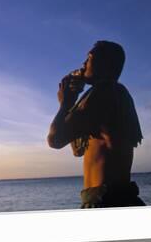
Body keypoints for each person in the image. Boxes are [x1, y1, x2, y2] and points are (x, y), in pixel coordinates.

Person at [46, 41, 145, 208]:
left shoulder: (105, 91)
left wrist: (64, 105)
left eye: (89, 58)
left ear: (104, 64)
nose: (83, 64)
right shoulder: (115, 93)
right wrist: (72, 101)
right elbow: (78, 151)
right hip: (110, 197)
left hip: (106, 200)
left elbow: (55, 140)